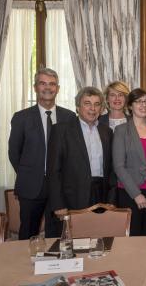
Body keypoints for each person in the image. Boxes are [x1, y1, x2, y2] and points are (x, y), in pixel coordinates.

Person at [8, 68, 76, 239]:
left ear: (58, 88)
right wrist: (30, 173)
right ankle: (24, 266)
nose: (48, 87)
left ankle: (56, 265)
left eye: (52, 84)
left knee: (58, 235)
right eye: (43, 83)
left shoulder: (69, 117)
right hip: (31, 187)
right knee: (28, 234)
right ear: (35, 87)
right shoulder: (21, 117)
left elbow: (72, 153)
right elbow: (14, 153)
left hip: (60, 188)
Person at [48, 87, 113, 235]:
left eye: (97, 104)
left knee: (99, 239)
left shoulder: (107, 132)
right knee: (73, 243)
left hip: (100, 196)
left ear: (102, 108)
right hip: (72, 197)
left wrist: (111, 200)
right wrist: (58, 204)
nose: (92, 108)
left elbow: (111, 170)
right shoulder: (61, 130)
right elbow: (53, 170)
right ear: (78, 107)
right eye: (87, 103)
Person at [113, 88, 146, 236]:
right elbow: (119, 166)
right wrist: (136, 194)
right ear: (130, 106)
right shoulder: (121, 130)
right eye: (138, 101)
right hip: (130, 194)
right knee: (133, 240)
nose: (143, 105)